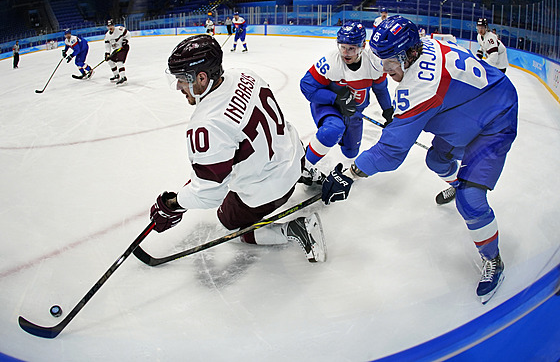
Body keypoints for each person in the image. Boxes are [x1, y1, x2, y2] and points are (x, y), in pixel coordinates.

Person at [321, 16, 518, 305]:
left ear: (409, 54)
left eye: (390, 63)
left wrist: (351, 173)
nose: (386, 71)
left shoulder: (420, 87)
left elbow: (390, 152)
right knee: (437, 161)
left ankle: (493, 259)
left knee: (470, 199)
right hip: (478, 105)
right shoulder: (422, 45)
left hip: (495, 121)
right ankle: (456, 181)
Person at [150, 34, 327, 263]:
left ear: (202, 77)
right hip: (295, 154)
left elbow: (210, 194)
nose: (178, 87)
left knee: (228, 226)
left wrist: (173, 204)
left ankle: (295, 229)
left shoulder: (206, 124)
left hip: (274, 188)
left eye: (183, 79)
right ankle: (307, 174)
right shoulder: (244, 74)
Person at [299, 21, 393, 185]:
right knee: (333, 129)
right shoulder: (331, 62)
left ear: (363, 46)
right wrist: (335, 98)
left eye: (351, 48)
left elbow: (381, 89)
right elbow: (306, 86)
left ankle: (328, 149)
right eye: (342, 47)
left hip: (354, 113)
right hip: (330, 106)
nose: (345, 53)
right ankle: (303, 167)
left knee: (351, 152)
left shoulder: (375, 63)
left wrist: (388, 111)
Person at [104, 19, 131, 85]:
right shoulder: (107, 35)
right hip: (116, 50)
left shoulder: (119, 29)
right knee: (110, 61)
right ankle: (116, 75)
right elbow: (107, 45)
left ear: (114, 25)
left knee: (119, 62)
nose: (110, 27)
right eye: (108, 26)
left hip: (123, 48)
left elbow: (128, 34)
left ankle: (123, 78)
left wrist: (125, 41)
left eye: (111, 25)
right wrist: (107, 54)